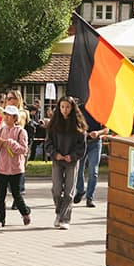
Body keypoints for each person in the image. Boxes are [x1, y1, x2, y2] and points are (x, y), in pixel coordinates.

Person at [45, 97, 87, 230]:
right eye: (62, 107)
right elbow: (48, 143)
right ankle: (59, 212)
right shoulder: (53, 124)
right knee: (57, 190)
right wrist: (54, 153)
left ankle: (65, 218)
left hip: (71, 161)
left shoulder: (78, 125)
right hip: (57, 160)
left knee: (69, 192)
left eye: (67, 107)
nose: (65, 110)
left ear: (72, 108)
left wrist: (73, 156)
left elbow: (82, 146)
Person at [0, 105, 31, 228]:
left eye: (9, 115)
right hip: (1, 168)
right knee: (0, 195)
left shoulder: (21, 131)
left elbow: (24, 150)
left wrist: (11, 143)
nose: (6, 117)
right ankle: (0, 219)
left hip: (16, 169)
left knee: (16, 194)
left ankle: (25, 212)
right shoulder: (1, 130)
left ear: (15, 118)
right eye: (5, 115)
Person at [74, 105, 108, 208]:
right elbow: (74, 126)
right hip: (81, 143)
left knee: (93, 170)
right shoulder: (79, 109)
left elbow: (106, 129)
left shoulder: (100, 110)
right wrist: (82, 132)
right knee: (79, 169)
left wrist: (98, 132)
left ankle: (90, 197)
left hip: (95, 143)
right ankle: (80, 190)